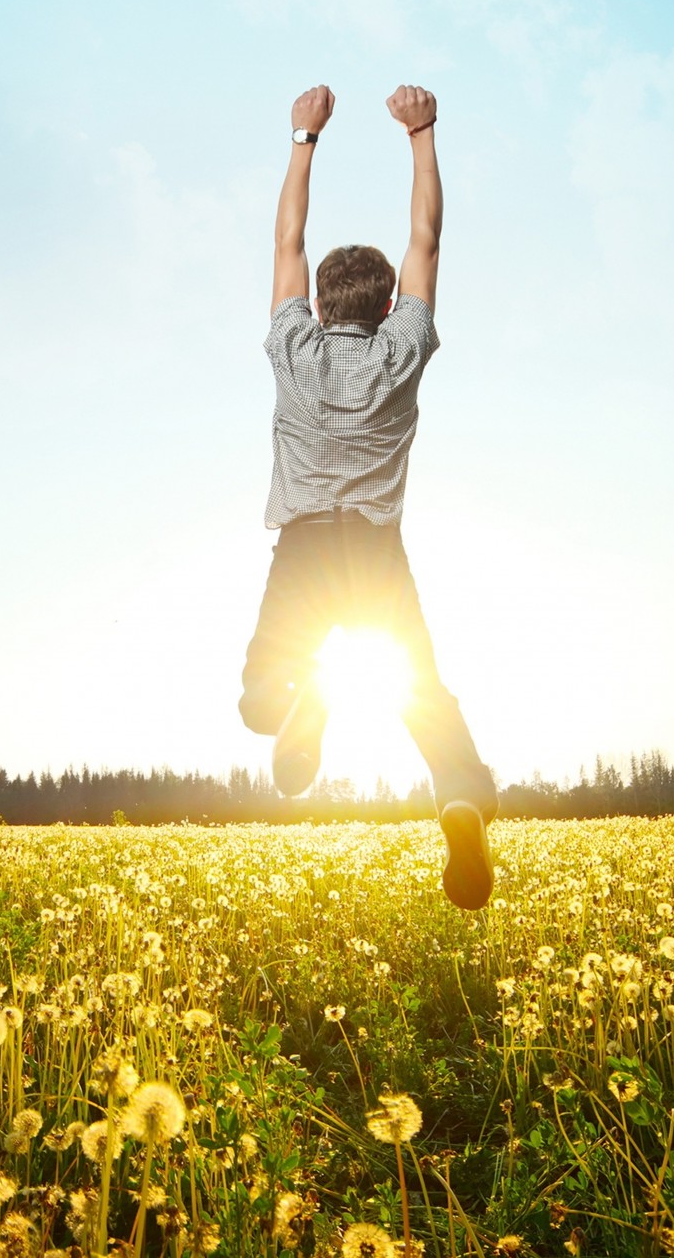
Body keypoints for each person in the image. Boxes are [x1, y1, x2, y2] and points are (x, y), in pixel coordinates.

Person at [237, 82, 498, 909]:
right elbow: (427, 238)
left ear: (315, 303)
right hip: (378, 552)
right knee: (424, 694)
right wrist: (420, 134)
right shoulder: (403, 350)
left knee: (257, 703)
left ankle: (303, 698)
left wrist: (303, 137)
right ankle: (457, 795)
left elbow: (288, 237)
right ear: (390, 306)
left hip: (304, 547)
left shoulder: (293, 346)